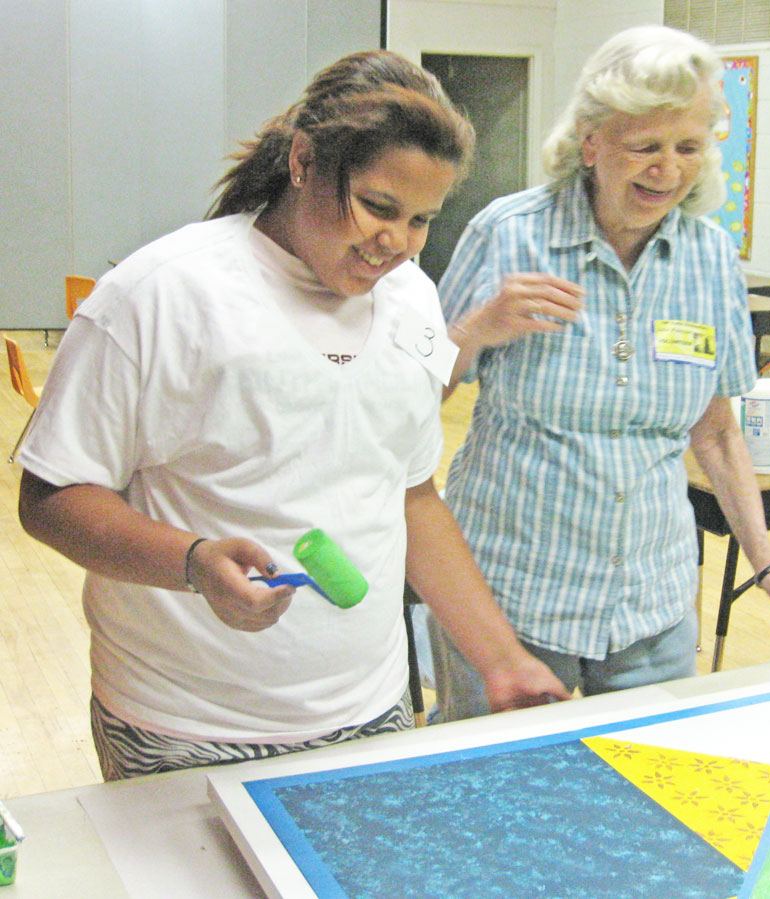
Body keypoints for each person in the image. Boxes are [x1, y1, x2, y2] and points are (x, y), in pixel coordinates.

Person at [17, 50, 568, 780]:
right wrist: (193, 562)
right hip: (184, 724)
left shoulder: (412, 300)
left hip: (371, 709)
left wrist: (502, 660)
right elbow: (52, 497)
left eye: (420, 220)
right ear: (304, 161)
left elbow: (410, 496)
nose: (396, 243)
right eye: (377, 206)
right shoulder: (162, 294)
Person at [429, 25, 770, 722]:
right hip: (509, 597)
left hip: (650, 607)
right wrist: (475, 329)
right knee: (490, 777)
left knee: (645, 772)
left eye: (688, 147)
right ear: (590, 142)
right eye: (646, 146)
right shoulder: (508, 233)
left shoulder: (709, 257)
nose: (668, 169)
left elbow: (716, 433)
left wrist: (769, 566)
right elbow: (413, 398)